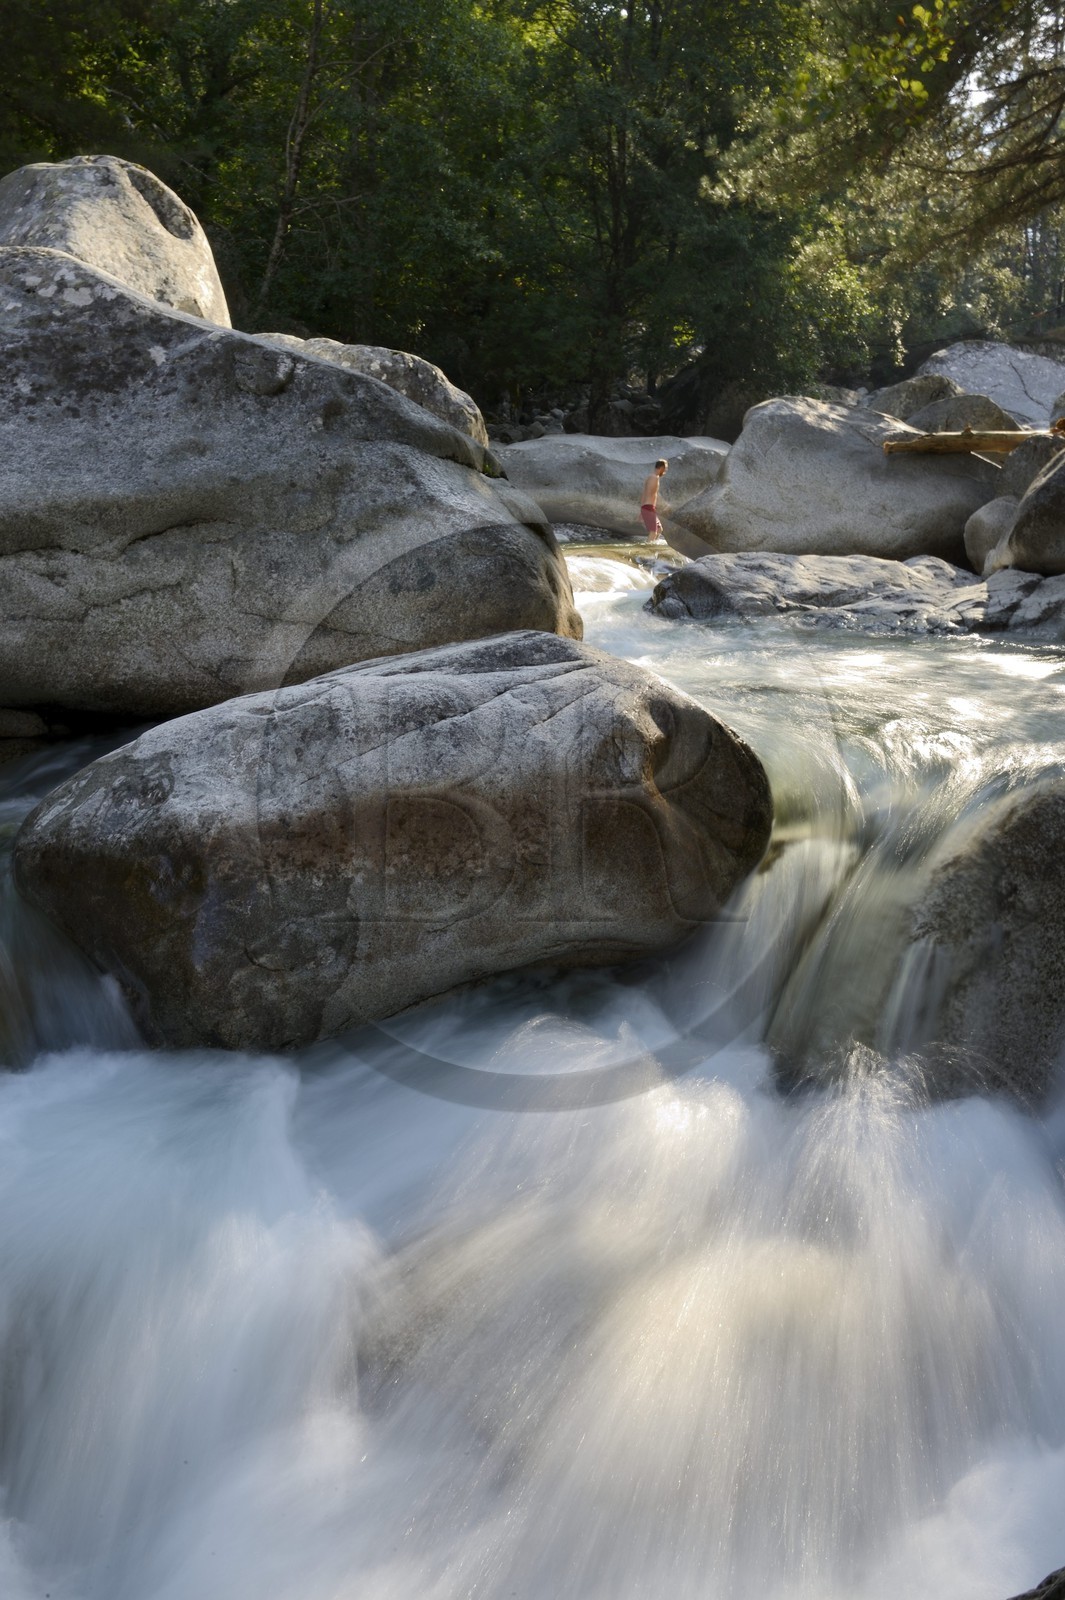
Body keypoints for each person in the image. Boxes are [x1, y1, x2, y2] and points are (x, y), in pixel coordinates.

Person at [639, 459, 668, 541]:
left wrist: (642, 510)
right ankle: (648, 547)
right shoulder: (654, 478)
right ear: (661, 467)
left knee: (659, 529)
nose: (665, 471)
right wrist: (647, 509)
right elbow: (649, 493)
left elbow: (644, 494)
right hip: (649, 507)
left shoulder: (651, 477)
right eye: (665, 468)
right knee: (653, 532)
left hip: (648, 507)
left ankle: (652, 544)